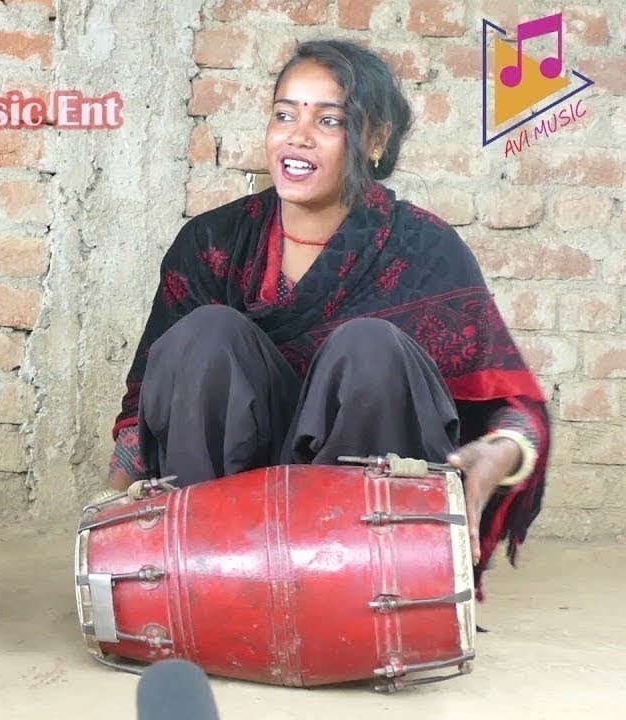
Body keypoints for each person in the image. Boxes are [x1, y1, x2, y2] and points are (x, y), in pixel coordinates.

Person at [108, 40, 548, 584]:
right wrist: (120, 505)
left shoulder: (423, 247)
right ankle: (201, 571)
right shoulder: (212, 243)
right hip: (223, 519)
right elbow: (146, 404)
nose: (298, 135)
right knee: (207, 333)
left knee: (369, 346)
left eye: (329, 120)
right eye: (284, 115)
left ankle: (353, 580)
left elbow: (514, 408)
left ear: (375, 139)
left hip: (360, 530)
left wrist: (492, 456)